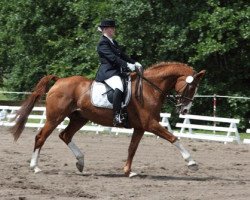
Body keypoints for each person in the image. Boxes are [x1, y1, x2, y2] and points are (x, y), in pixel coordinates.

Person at [95, 19, 142, 126]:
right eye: (112, 28)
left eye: (114, 28)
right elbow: (113, 58)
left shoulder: (113, 42)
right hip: (108, 72)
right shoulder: (102, 43)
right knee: (119, 86)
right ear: (106, 30)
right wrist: (127, 65)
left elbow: (122, 55)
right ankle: (117, 115)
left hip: (117, 72)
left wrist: (135, 62)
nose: (114, 30)